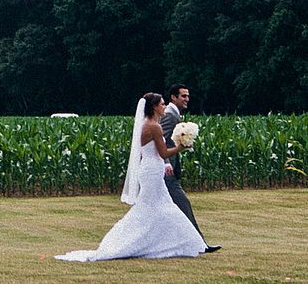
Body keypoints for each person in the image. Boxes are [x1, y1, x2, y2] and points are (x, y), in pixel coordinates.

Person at [56, 92, 207, 262]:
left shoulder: (145, 124)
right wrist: (182, 147)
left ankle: (172, 242)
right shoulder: (154, 127)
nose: (164, 107)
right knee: (153, 208)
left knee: (157, 207)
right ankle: (176, 242)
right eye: (162, 104)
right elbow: (163, 152)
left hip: (149, 169)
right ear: (154, 107)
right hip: (152, 170)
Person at [160, 83, 219, 252]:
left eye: (187, 95)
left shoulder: (173, 114)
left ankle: (182, 243)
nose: (187, 99)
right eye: (183, 96)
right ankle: (200, 244)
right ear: (173, 97)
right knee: (183, 204)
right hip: (166, 171)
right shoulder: (170, 115)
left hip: (170, 168)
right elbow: (162, 141)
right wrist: (165, 163)